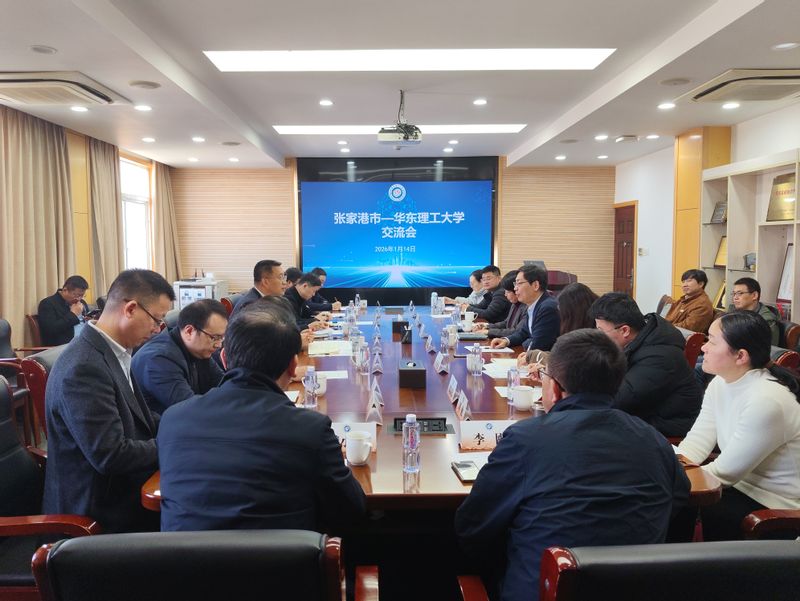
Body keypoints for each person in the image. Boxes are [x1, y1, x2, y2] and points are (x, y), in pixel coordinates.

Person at [455, 329, 689, 601]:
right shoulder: (654, 439)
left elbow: (472, 525)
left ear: (554, 389)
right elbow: (679, 496)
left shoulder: (526, 439)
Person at [157, 296, 367, 532]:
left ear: (224, 358)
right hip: (284, 555)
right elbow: (352, 508)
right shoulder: (311, 429)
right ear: (293, 366)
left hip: (184, 555)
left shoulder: (173, 419)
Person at [44, 269, 174, 533]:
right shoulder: (84, 367)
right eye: (157, 320)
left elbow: (140, 418)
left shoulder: (115, 351)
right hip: (98, 514)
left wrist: (184, 425)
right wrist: (177, 445)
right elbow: (110, 455)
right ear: (131, 309)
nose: (157, 330)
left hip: (120, 489)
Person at [677, 311, 800, 541]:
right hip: (740, 486)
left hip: (776, 505)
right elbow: (698, 441)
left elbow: (725, 473)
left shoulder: (766, 400)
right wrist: (673, 464)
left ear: (741, 356)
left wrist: (670, 478)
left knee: (679, 498)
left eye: (712, 341)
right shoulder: (721, 383)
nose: (703, 347)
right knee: (675, 498)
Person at [590, 292, 702, 437]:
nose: (598, 336)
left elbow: (620, 400)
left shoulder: (660, 356)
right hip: (644, 412)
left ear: (625, 330)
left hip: (668, 422)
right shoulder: (640, 339)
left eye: (601, 331)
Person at [131, 299, 227, 415]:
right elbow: (191, 410)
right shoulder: (159, 360)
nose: (219, 345)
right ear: (189, 331)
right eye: (215, 338)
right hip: (160, 424)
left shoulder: (198, 349)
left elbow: (224, 385)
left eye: (222, 337)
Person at [518, 282, 598, 367]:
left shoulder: (594, 335)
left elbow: (570, 363)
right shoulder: (581, 325)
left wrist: (535, 355)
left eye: (563, 314)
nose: (561, 317)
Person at [490, 265, 559, 352]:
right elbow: (524, 333)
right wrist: (506, 341)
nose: (515, 288)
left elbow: (538, 344)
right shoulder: (533, 304)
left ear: (535, 285)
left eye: (519, 283)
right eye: (515, 284)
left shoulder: (547, 308)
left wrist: (526, 342)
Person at [37, 275, 90, 346]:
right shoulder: (48, 304)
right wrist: (73, 314)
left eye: (82, 295)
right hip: (65, 346)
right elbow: (51, 330)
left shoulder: (82, 303)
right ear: (65, 290)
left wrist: (90, 320)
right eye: (76, 295)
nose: (79, 299)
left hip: (86, 342)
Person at [473, 272, 526, 339]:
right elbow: (506, 323)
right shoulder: (514, 304)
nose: (505, 295)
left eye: (508, 292)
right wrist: (486, 326)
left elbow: (516, 331)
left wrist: (488, 332)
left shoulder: (526, 307)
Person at [728, 277, 779, 346]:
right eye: (734, 294)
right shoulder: (733, 312)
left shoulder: (766, 320)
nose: (735, 298)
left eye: (739, 293)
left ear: (754, 295)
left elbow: (767, 349)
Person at [665, 269, 714, 333]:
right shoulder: (684, 299)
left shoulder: (702, 304)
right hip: (669, 331)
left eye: (689, 281)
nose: (684, 285)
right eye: (683, 282)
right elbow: (669, 318)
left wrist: (663, 328)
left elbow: (687, 328)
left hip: (678, 336)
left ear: (701, 284)